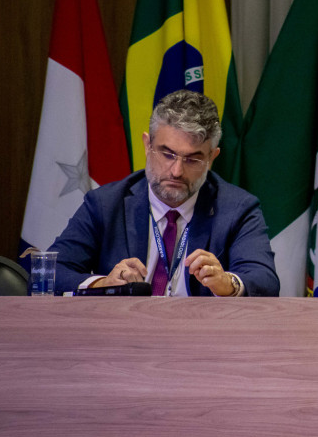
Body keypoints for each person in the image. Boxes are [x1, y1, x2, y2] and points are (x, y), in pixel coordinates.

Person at [51, 90, 279, 297]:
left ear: (211, 158)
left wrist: (229, 283)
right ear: (147, 145)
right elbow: (50, 272)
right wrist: (104, 284)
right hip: (126, 327)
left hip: (201, 328)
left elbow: (265, 281)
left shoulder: (237, 209)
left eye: (192, 159)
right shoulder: (106, 203)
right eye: (167, 154)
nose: (176, 171)